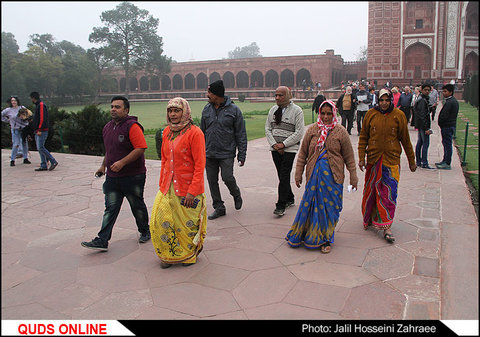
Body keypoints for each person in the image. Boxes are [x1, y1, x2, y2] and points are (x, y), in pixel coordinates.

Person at [286, 100, 358, 253]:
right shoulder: (312, 130)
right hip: (314, 176)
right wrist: (298, 173)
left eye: (329, 113)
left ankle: (326, 238)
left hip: (333, 178)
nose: (325, 117)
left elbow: (349, 158)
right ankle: (308, 234)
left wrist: (353, 177)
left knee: (330, 209)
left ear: (334, 113)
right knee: (310, 206)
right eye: (323, 113)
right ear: (319, 113)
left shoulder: (341, 132)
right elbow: (303, 155)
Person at [81, 96, 150, 251]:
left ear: (126, 110)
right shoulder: (107, 127)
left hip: (133, 176)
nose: (113, 109)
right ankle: (102, 240)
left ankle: (145, 231)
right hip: (113, 177)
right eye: (112, 106)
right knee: (110, 208)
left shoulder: (132, 126)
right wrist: (103, 166)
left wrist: (122, 162)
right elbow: (110, 150)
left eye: (117, 107)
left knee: (136, 205)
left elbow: (140, 148)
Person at [150, 97, 207, 268]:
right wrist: (162, 185)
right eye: (170, 110)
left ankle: (188, 255)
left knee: (187, 225)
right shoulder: (166, 132)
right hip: (167, 186)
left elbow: (199, 164)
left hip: (188, 187)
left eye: (176, 110)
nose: (173, 114)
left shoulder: (195, 133)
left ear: (185, 112)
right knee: (160, 221)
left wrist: (192, 191)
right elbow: (165, 161)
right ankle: (168, 254)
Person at [358, 88, 416, 243]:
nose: (384, 103)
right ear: (378, 100)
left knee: (389, 194)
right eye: (381, 100)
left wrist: (412, 160)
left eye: (387, 100)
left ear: (391, 100)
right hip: (374, 159)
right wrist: (361, 157)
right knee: (372, 191)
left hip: (391, 161)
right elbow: (364, 137)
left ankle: (386, 226)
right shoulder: (371, 114)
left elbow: (405, 139)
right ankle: (370, 217)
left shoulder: (399, 115)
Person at [200, 80, 247, 220]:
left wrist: (242, 154)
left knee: (227, 177)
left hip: (226, 152)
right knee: (211, 180)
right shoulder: (206, 109)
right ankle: (219, 207)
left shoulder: (234, 110)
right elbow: (201, 132)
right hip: (209, 152)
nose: (207, 95)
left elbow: (241, 133)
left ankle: (236, 194)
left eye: (210, 92)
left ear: (217, 94)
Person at [265, 86, 305, 216]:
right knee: (282, 176)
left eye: (280, 95)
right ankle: (290, 198)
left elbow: (299, 132)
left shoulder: (297, 111)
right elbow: (268, 129)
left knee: (284, 175)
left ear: (288, 96)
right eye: (276, 95)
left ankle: (280, 205)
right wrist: (275, 144)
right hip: (275, 148)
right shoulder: (273, 110)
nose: (277, 98)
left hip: (289, 149)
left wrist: (284, 144)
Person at [30, 92, 58, 171]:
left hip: (42, 130)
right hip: (37, 130)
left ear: (33, 98)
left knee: (41, 147)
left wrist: (40, 129)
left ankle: (53, 161)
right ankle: (43, 164)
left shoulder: (41, 105)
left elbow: (43, 118)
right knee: (39, 148)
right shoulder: (38, 106)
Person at [1, 96, 31, 166]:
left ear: (17, 101)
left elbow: (28, 116)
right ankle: (12, 159)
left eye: (15, 101)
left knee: (24, 143)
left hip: (23, 129)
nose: (13, 102)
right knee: (16, 144)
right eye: (12, 101)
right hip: (15, 129)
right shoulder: (8, 110)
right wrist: (8, 120)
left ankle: (25, 158)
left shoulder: (22, 108)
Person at [435, 84, 459, 170]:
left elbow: (446, 115)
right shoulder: (450, 101)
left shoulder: (451, 102)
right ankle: (445, 160)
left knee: (447, 144)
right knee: (445, 144)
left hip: (447, 126)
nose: (444, 93)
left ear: (450, 92)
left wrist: (441, 122)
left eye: (445, 91)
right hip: (447, 126)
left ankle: (447, 162)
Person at [414, 84, 435, 170]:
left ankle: (419, 161)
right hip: (423, 125)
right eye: (425, 90)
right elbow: (422, 115)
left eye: (428, 90)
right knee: (425, 143)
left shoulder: (422, 99)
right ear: (421, 90)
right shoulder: (422, 100)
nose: (427, 91)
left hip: (420, 124)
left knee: (420, 142)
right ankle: (424, 162)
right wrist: (426, 128)